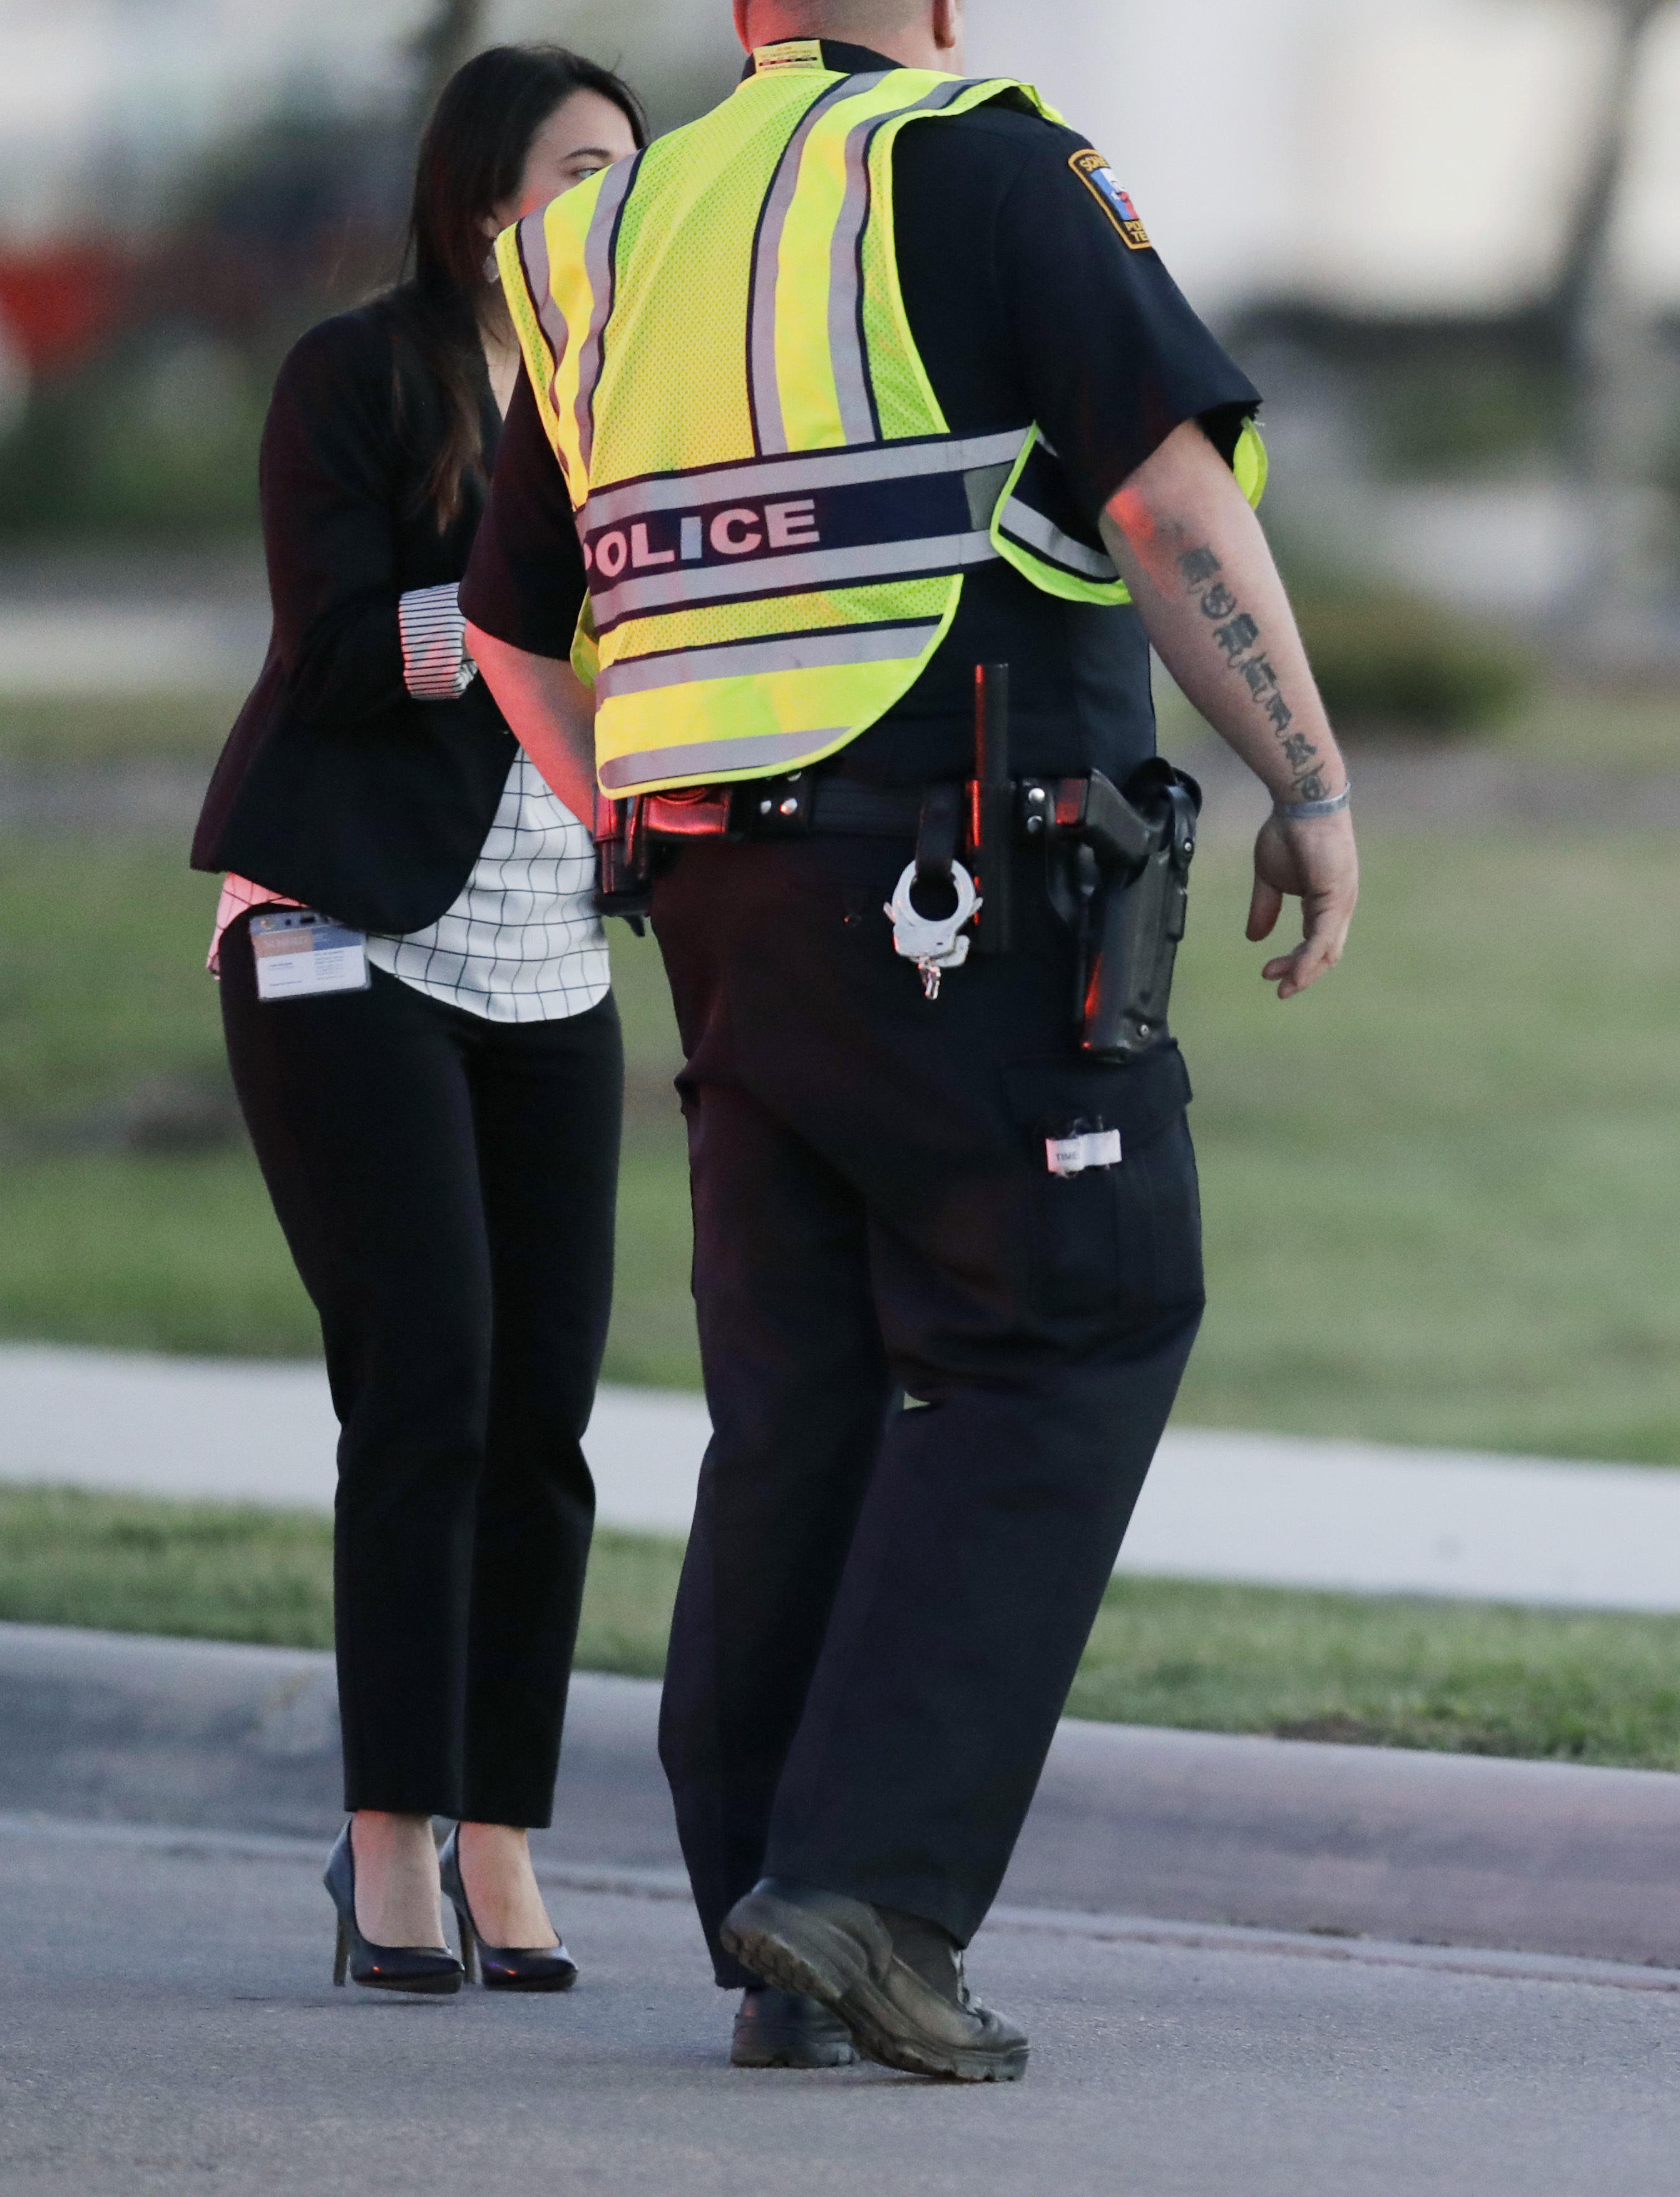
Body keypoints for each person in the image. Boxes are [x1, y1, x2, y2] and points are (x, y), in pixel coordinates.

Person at [459, 0, 1359, 2080]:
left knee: (810, 1396)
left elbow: (514, 620)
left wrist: (631, 810)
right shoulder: (976, 156)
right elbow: (1160, 507)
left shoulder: (616, 223)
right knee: (1077, 1322)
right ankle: (864, 1897)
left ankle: (777, 1900)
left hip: (718, 895)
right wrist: (1309, 782)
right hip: (969, 874)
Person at [190, 46, 647, 1994]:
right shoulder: (363, 376)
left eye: (636, 171)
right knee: (431, 1378)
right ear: (485, 196)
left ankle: (506, 1842)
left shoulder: (661, 397)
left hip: (556, 957)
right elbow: (337, 647)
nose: (616, 201)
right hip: (344, 928)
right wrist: (540, 605)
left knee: (545, 1416)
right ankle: (387, 1848)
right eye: (581, 170)